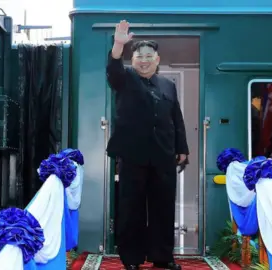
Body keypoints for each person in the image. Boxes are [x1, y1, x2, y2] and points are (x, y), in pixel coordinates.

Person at [106, 20, 189, 270]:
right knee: (131, 209)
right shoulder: (126, 79)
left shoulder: (168, 85)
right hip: (133, 156)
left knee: (163, 208)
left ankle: (162, 257)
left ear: (157, 59)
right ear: (133, 60)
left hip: (163, 156)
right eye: (139, 56)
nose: (144, 60)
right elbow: (113, 69)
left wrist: (182, 148)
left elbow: (176, 118)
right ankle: (131, 259)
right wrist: (118, 45)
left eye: (149, 56)